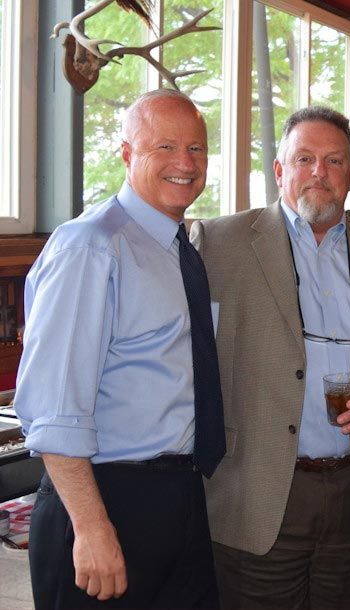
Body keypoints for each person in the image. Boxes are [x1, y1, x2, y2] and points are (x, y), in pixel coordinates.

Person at [190, 106, 350, 610]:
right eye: (304, 158)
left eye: (334, 161)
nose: (318, 172)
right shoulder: (217, 245)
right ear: (279, 169)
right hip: (258, 494)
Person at [15, 89, 222, 610]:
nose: (185, 163)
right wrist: (92, 528)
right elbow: (54, 407)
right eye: (165, 147)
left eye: (196, 148)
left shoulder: (177, 249)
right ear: (127, 154)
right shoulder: (91, 247)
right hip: (104, 501)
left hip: (179, 497)